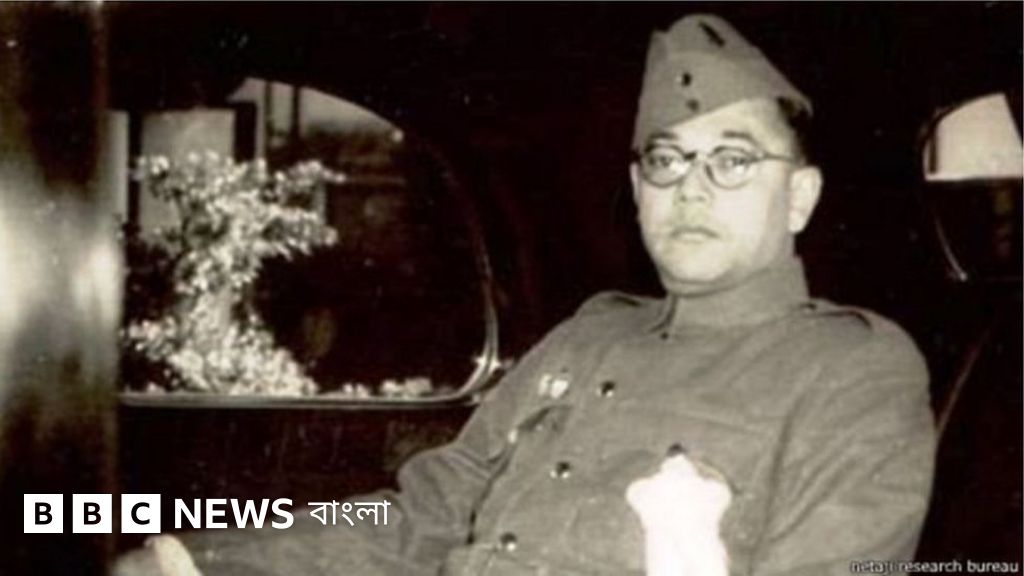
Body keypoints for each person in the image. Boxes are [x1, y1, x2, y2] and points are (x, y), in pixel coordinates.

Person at [116, 13, 936, 576]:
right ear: (638, 191)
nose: (690, 187)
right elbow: (420, 514)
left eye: (732, 159)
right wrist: (194, 560)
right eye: (665, 160)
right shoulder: (590, 336)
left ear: (800, 198)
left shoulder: (854, 369)